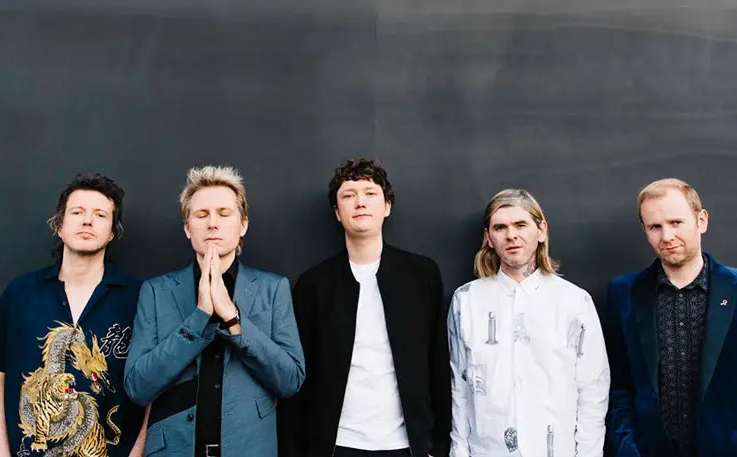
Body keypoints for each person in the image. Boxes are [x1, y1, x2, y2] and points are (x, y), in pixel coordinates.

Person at [124, 165, 304, 457]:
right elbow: (138, 387)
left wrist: (233, 318)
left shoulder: (273, 289)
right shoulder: (156, 291)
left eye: (224, 213)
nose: (212, 224)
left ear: (242, 225)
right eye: (201, 214)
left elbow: (290, 381)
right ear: (187, 228)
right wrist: (199, 317)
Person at [279, 158, 450, 457]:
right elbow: (301, 376)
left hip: (407, 445)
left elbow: (437, 362)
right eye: (349, 195)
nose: (360, 202)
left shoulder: (422, 275)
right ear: (337, 212)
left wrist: (438, 445)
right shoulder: (313, 284)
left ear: (387, 206)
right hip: (337, 445)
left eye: (370, 193)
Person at [0, 173, 147, 457]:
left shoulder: (141, 298)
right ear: (59, 226)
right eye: (77, 212)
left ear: (112, 232)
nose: (87, 221)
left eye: (100, 214)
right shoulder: (22, 292)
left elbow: (154, 387)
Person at [448, 189, 609, 457]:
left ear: (541, 230)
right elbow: (460, 389)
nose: (511, 235)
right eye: (500, 227)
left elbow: (593, 390)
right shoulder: (466, 300)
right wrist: (459, 451)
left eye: (520, 225)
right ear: (489, 237)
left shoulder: (574, 302)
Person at [605, 178, 737, 456]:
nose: (666, 236)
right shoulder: (623, 293)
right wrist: (626, 449)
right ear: (645, 230)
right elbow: (618, 387)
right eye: (655, 227)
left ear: (701, 221)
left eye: (676, 222)